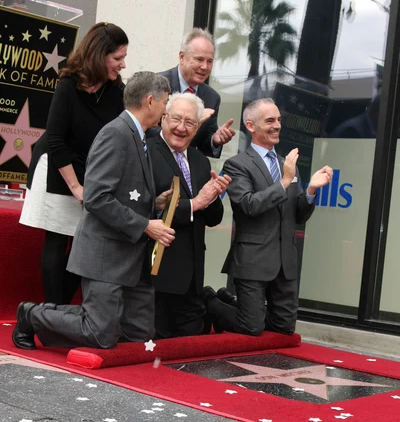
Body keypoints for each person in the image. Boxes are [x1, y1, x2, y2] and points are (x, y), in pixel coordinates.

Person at [12, 71, 175, 351]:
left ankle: (68, 317)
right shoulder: (115, 133)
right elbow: (96, 198)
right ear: (150, 101)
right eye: (165, 103)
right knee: (101, 333)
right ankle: (32, 315)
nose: (165, 110)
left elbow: (123, 192)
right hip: (105, 256)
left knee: (139, 336)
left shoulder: (139, 136)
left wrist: (155, 204)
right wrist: (145, 225)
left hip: (131, 256)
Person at [202, 98, 333, 337]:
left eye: (279, 120)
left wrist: (312, 190)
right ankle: (211, 302)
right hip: (253, 259)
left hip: (285, 261)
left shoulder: (287, 165)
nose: (277, 126)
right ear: (251, 126)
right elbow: (249, 205)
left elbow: (299, 214)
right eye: (270, 120)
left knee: (283, 328)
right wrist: (284, 181)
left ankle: (230, 302)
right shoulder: (237, 165)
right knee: (251, 327)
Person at [19, 22, 129, 304]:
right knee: (57, 239)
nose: (123, 65)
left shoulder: (118, 91)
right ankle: (51, 312)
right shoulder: (68, 84)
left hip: (89, 171)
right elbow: (55, 140)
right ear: (98, 54)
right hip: (58, 167)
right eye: (117, 58)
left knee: (85, 242)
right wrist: (76, 187)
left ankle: (56, 311)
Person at [147, 92, 230, 338]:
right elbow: (146, 208)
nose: (181, 128)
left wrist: (214, 195)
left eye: (190, 123)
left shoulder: (200, 160)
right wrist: (196, 202)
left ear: (197, 128)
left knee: (191, 353)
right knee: (154, 357)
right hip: (156, 276)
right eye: (176, 119)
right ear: (163, 118)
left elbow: (213, 218)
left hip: (192, 279)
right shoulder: (146, 154)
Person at [148, 28, 235, 157]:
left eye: (209, 61)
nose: (205, 67)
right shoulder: (156, 84)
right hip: (153, 161)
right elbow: (145, 129)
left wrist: (215, 140)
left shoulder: (212, 98)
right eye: (199, 59)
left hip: (186, 169)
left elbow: (203, 145)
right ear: (182, 57)